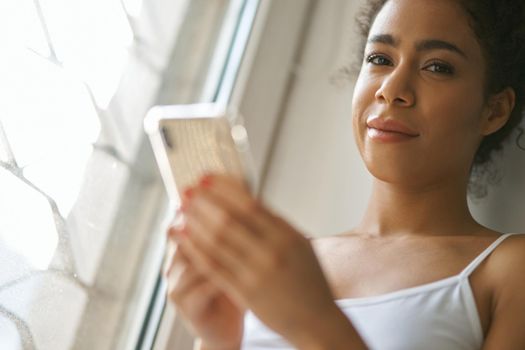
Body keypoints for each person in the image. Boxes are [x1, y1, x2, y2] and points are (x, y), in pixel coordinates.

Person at [164, 0, 525, 348]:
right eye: (380, 59)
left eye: (436, 67)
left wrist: (315, 323)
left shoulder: (509, 269)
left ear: (493, 111)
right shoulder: (284, 262)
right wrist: (217, 340)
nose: (391, 90)